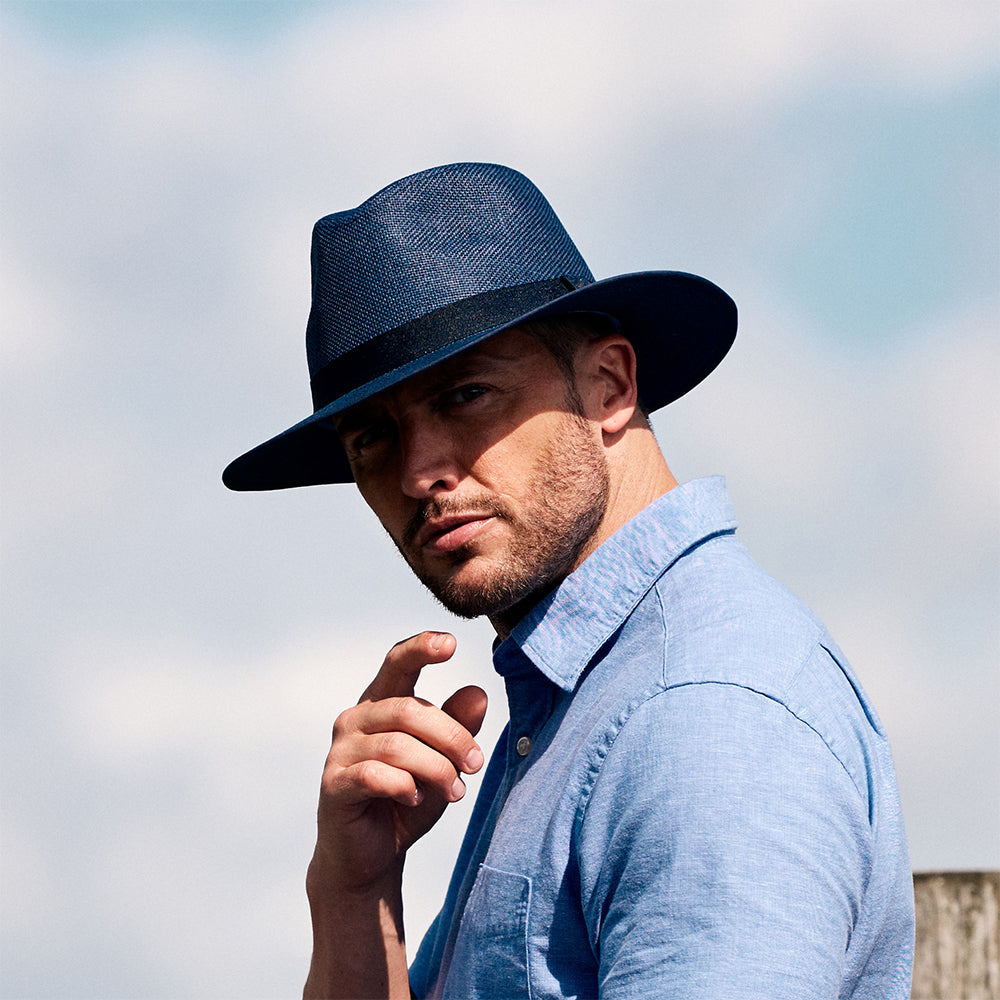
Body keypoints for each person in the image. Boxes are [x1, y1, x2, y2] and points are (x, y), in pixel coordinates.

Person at [223, 162, 914, 999]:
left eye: (466, 394)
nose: (417, 471)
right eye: (370, 437)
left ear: (609, 386)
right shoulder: (584, 704)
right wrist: (353, 894)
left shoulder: (700, 712)